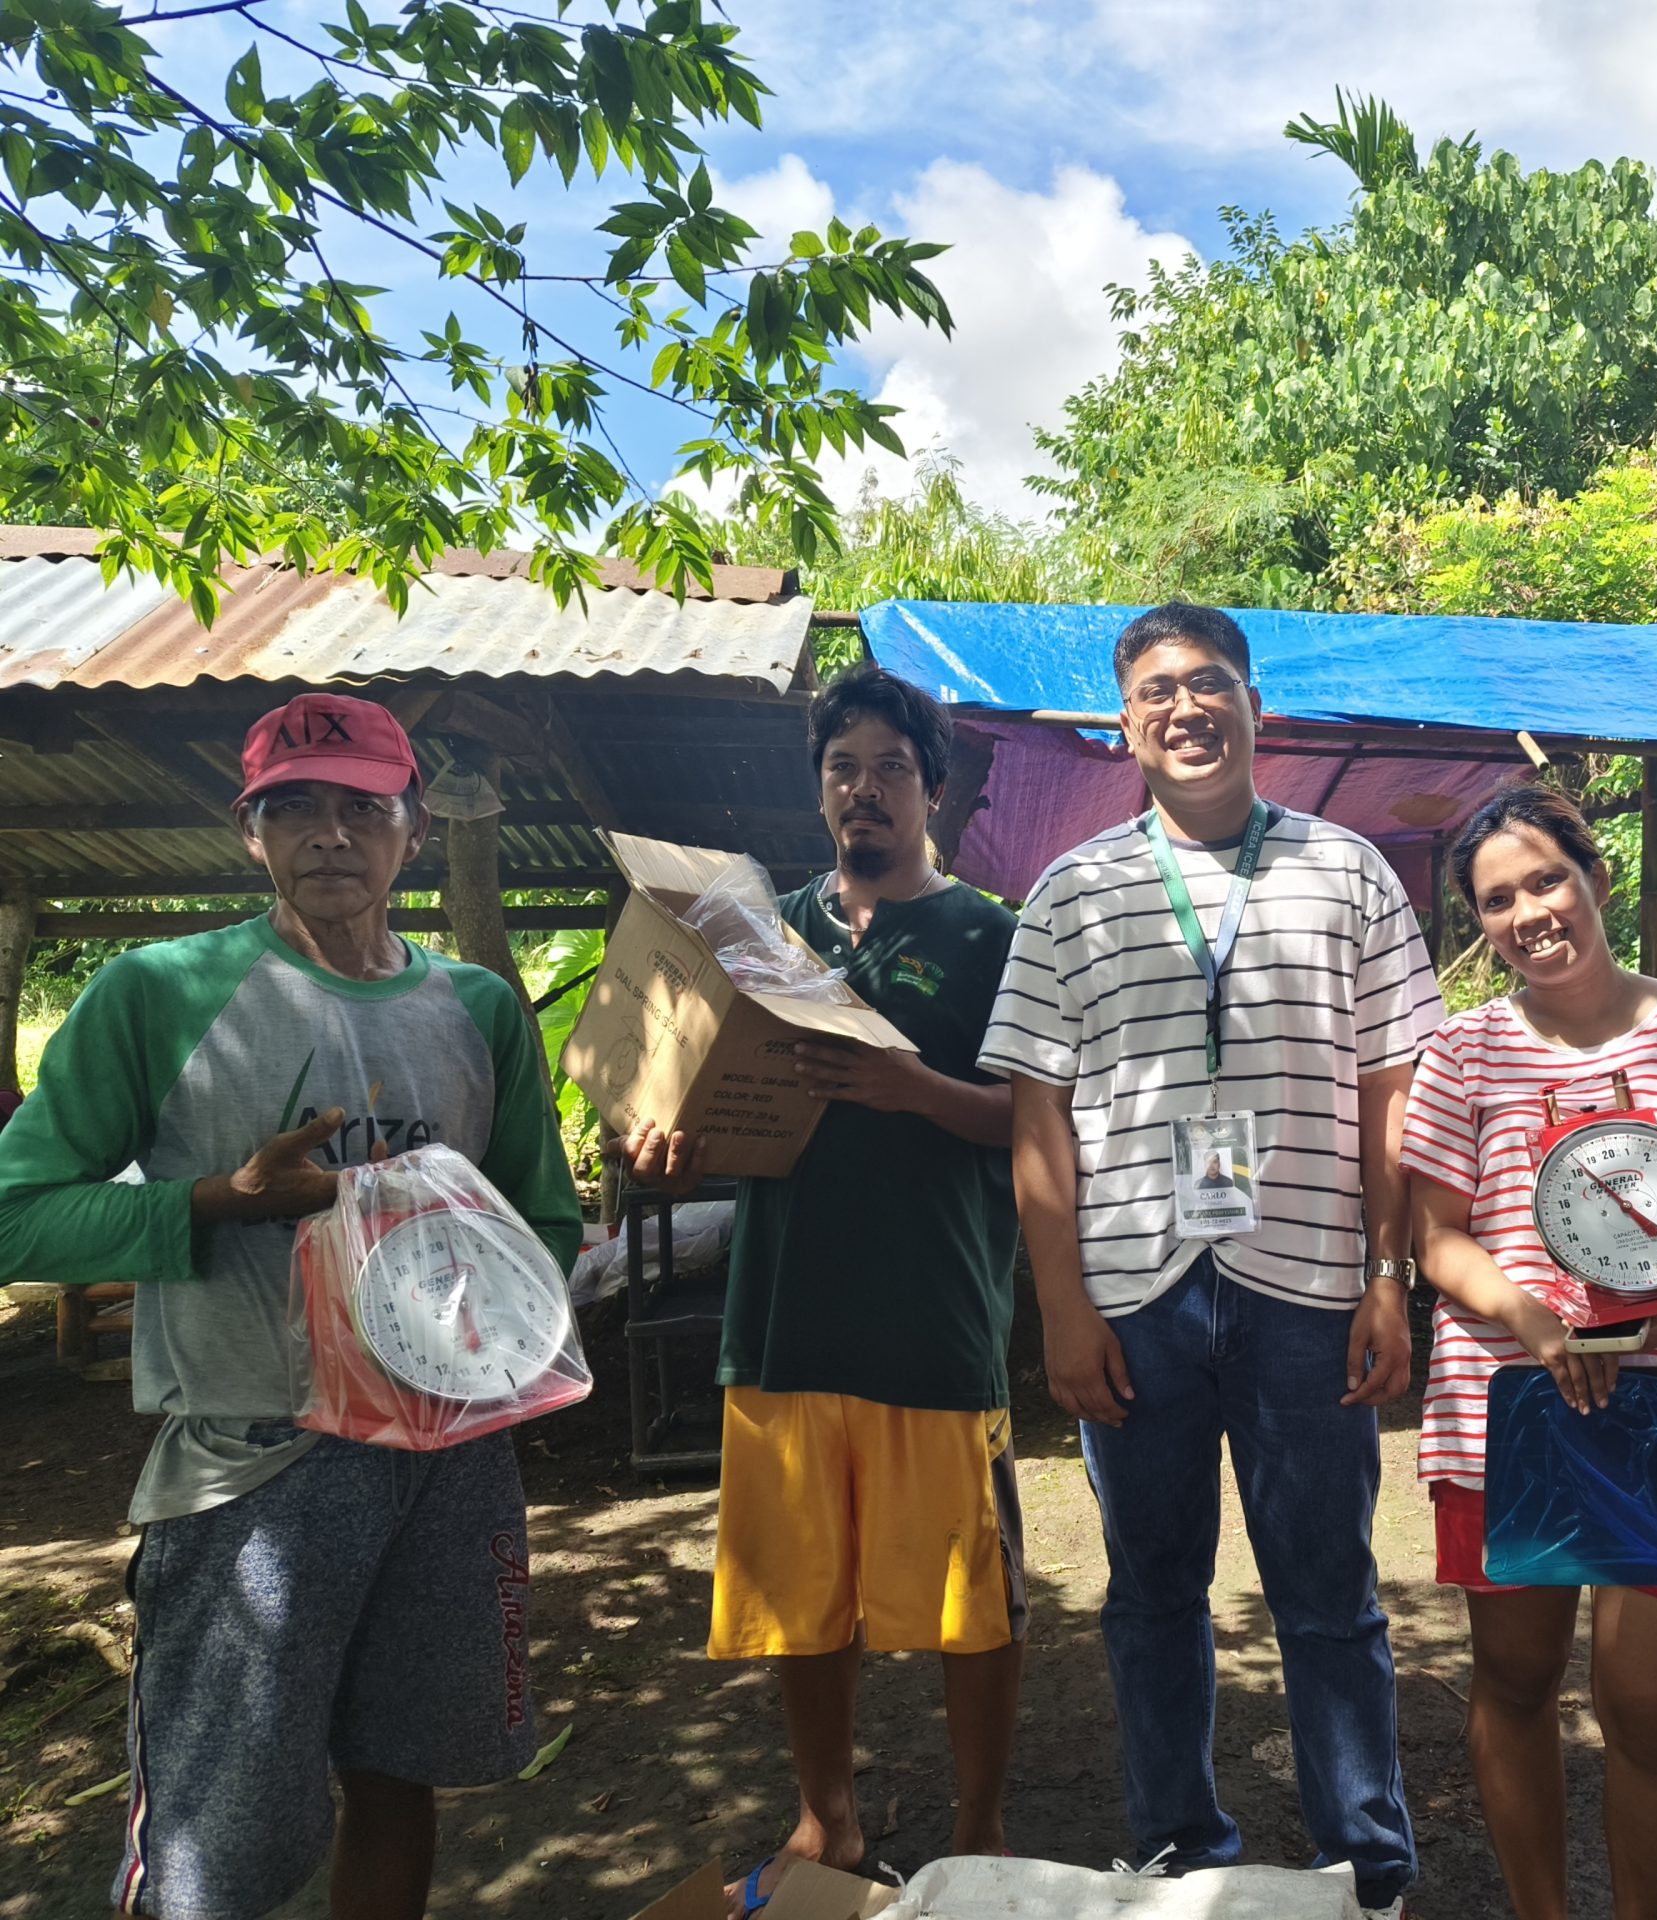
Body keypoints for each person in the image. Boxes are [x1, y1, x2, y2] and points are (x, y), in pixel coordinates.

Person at [0, 693, 581, 1920]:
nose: (331, 835)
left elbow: (547, 1221)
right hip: (258, 1468)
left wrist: (483, 1319)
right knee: (222, 1836)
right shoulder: (158, 993)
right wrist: (218, 1199)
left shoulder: (474, 1011)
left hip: (447, 1459)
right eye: (295, 808)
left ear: (410, 831)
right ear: (248, 830)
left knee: (401, 1767)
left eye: (360, 808)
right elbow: (20, 1212)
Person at [982, 601, 1437, 1917]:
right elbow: (1036, 1117)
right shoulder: (1074, 891)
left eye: (1211, 683)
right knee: (1152, 1593)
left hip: (1310, 1288)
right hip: (1135, 1294)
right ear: (1126, 724)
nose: (1187, 707)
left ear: (1255, 706)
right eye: (1159, 690)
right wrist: (1061, 1308)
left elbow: (1392, 1086)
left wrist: (1389, 1273)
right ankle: (1180, 1853)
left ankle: (1369, 1868)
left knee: (1330, 1594)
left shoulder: (1348, 872)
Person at [621, 665, 1023, 1917]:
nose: (865, 789)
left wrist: (924, 1094)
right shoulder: (758, 933)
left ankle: (979, 1827)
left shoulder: (991, 935)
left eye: (890, 768)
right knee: (802, 1597)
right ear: (819, 792)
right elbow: (681, 1093)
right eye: (842, 767)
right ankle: (829, 1819)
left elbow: (1043, 1121)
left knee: (974, 1600)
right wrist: (668, 1136)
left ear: (934, 790)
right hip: (784, 1317)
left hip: (936, 1318)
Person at [1401, 784, 1657, 1920]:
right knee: (1514, 1682)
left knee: (1649, 1708)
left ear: (1596, 876)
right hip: (1512, 1405)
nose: (1528, 913)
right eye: (1495, 900)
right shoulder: (1461, 1054)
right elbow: (1436, 1236)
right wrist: (1538, 1325)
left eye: (1545, 879)